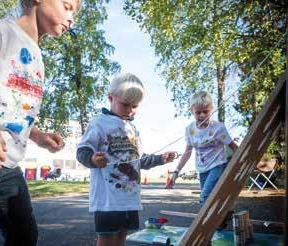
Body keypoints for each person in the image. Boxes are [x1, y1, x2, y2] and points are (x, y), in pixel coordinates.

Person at [0, 0, 79, 245]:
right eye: (68, 6)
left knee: (25, 235)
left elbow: (11, 110)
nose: (72, 18)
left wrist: (38, 136)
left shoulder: (37, 57)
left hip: (8, 166)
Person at [77, 73, 176, 246]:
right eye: (125, 104)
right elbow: (82, 151)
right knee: (107, 238)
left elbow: (137, 160)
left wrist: (161, 159)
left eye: (135, 106)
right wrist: (92, 160)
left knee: (122, 236)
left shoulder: (132, 128)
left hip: (129, 198)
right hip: (107, 200)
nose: (130, 110)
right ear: (110, 98)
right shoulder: (99, 123)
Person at [171, 91, 238, 225]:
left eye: (205, 112)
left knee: (204, 196)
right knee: (212, 198)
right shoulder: (190, 130)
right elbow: (187, 152)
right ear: (192, 111)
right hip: (202, 169)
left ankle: (205, 225)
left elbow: (233, 146)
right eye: (198, 112)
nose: (202, 115)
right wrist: (176, 172)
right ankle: (223, 217)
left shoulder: (218, 128)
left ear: (211, 110)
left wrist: (241, 162)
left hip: (217, 166)